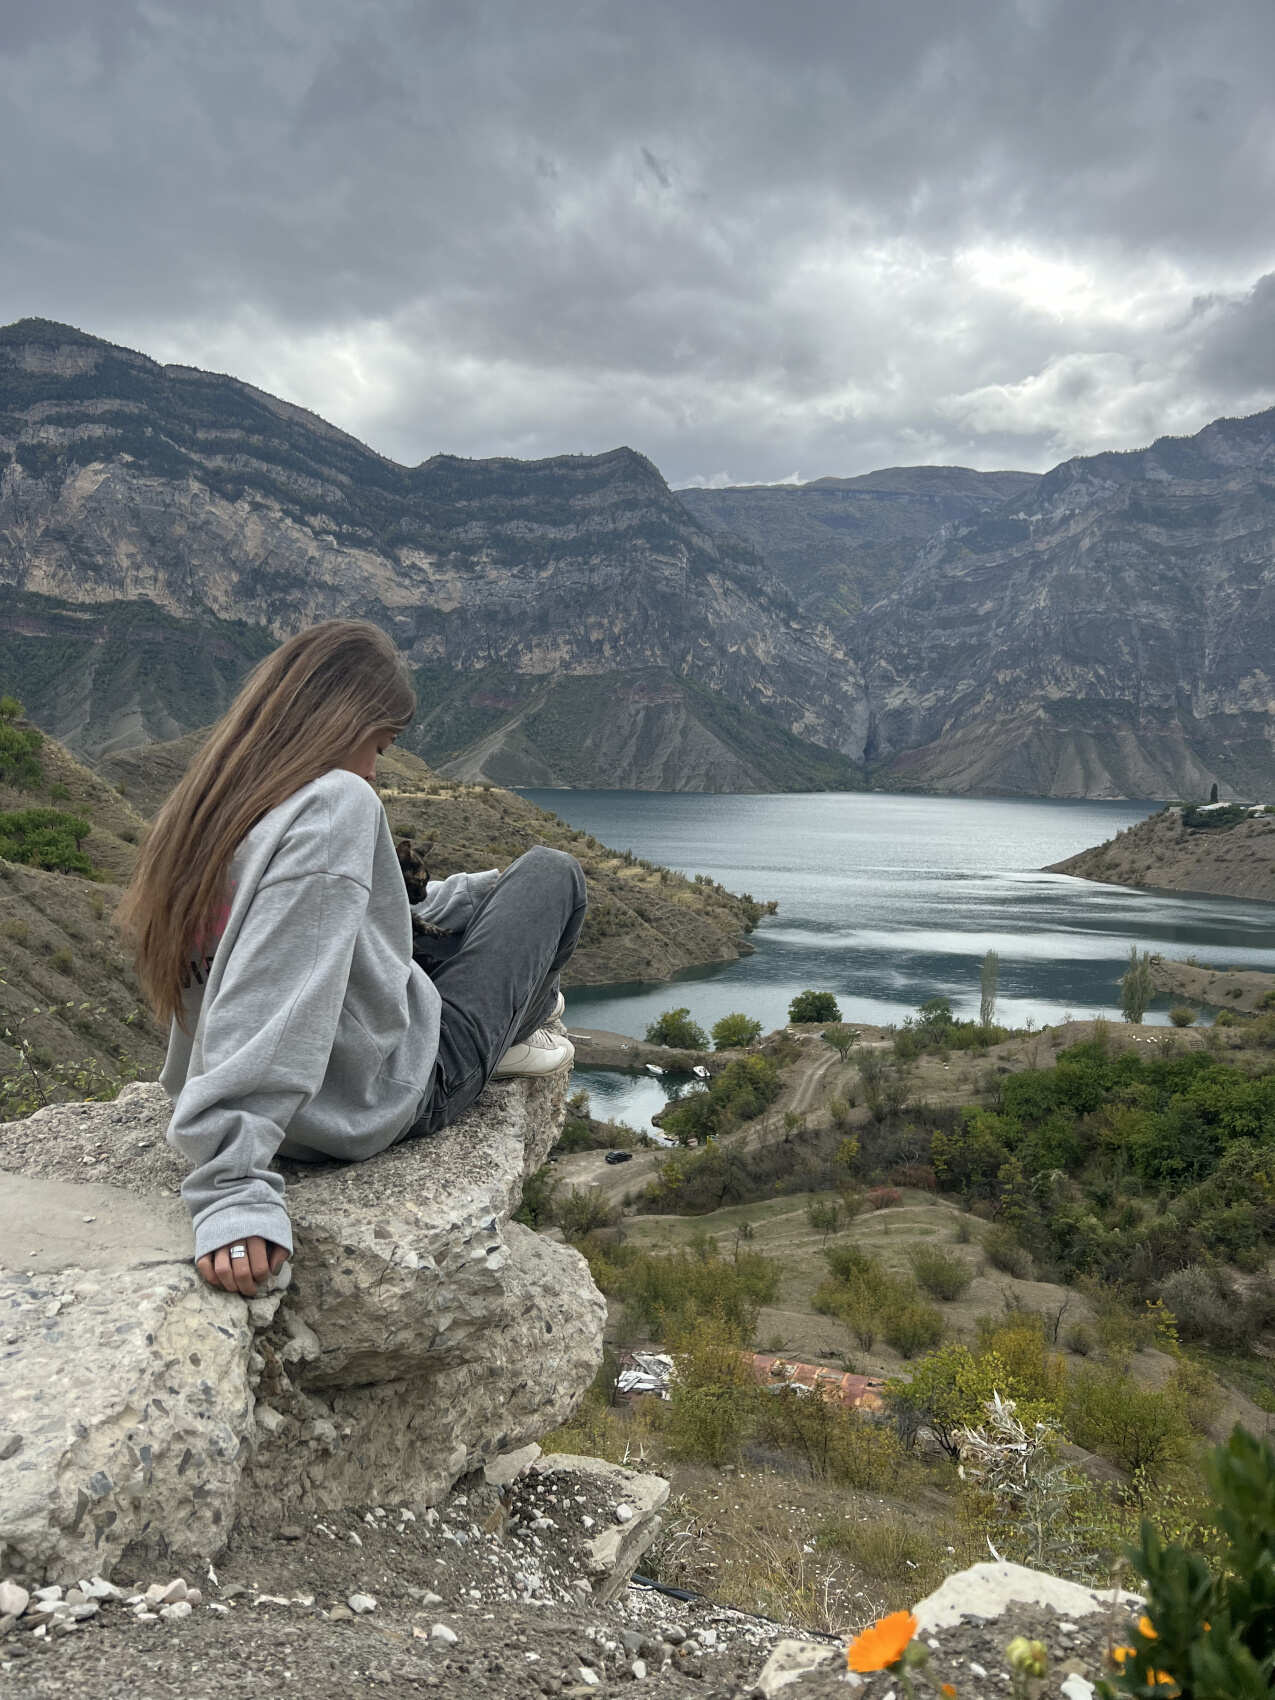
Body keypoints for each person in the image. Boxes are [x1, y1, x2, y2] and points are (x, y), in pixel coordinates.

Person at [116, 620, 586, 1300]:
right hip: (387, 1095)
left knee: (475, 895)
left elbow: (291, 943)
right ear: (338, 725)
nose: (373, 768)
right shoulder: (338, 804)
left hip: (307, 1085)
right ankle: (522, 1022)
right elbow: (275, 987)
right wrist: (231, 1191)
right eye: (379, 745)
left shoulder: (207, 814)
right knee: (550, 874)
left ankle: (494, 966)